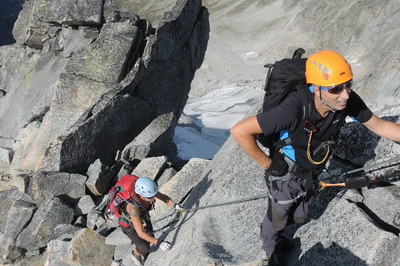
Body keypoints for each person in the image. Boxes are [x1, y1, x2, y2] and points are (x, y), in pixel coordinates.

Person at [230, 50, 400, 266]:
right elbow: (240, 131)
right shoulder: (293, 107)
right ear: (316, 88)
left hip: (312, 172)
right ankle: (271, 250)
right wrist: (270, 165)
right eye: (336, 88)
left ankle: (283, 232)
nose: (345, 94)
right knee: (278, 217)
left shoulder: (346, 101)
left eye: (348, 85)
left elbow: (380, 126)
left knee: (300, 215)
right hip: (286, 176)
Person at [117, 176, 183, 266]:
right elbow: (140, 233)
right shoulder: (133, 208)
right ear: (141, 195)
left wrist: (175, 205)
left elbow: (163, 197)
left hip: (143, 216)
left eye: (153, 196)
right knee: (144, 248)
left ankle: (146, 256)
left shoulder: (148, 193)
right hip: (128, 226)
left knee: (150, 235)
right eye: (150, 197)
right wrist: (159, 242)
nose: (153, 199)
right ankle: (135, 254)